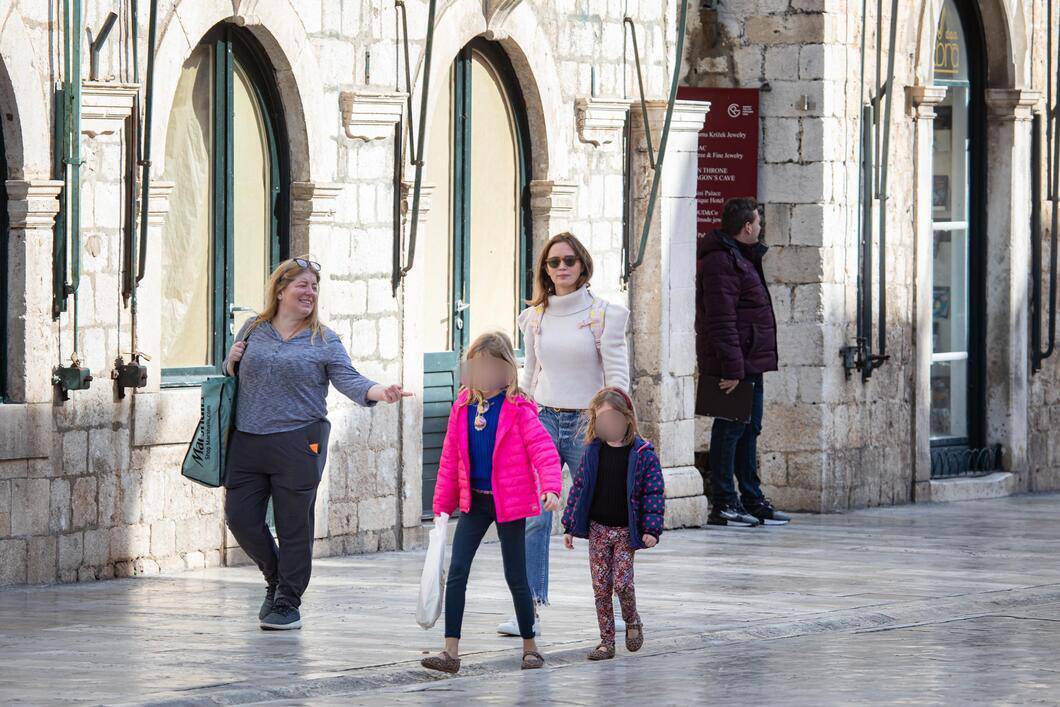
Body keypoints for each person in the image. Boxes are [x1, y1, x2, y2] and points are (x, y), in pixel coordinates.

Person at [223, 256, 410, 631]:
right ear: (280, 290)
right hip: (247, 440)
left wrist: (380, 391)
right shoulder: (252, 328)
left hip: (299, 441)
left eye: (314, 287)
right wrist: (229, 361)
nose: (310, 293)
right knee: (240, 519)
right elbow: (230, 377)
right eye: (302, 285)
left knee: (295, 525)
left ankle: (288, 601)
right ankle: (274, 576)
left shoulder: (324, 340)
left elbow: (350, 380)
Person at [497, 232, 631, 637]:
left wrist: (619, 426)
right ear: (544, 269)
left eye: (569, 260)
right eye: (553, 262)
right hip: (542, 421)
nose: (561, 268)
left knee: (606, 518)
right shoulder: (535, 316)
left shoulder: (604, 315)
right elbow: (530, 373)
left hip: (588, 424)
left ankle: (618, 604)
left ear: (582, 264)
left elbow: (617, 374)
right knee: (536, 517)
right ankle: (529, 608)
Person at [421, 331, 563, 674]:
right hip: (475, 503)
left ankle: (530, 646)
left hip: (508, 503)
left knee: (515, 574)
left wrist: (552, 488)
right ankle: (449, 651)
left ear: (505, 371)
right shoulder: (462, 408)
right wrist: (441, 507)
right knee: (456, 571)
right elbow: (449, 460)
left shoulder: (519, 409)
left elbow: (544, 451)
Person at [696, 198, 790, 527]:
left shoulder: (741, 257)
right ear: (747, 226)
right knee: (730, 428)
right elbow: (721, 320)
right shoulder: (721, 262)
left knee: (750, 429)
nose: (760, 229)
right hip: (733, 365)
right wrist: (732, 369)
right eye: (758, 224)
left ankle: (751, 498)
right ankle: (724, 501)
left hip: (750, 361)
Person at [561, 387, 665, 661]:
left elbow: (653, 493)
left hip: (623, 532)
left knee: (622, 582)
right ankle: (606, 641)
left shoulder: (643, 454)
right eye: (602, 421)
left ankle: (632, 619)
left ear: (627, 418)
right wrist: (570, 525)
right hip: (598, 529)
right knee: (601, 587)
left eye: (613, 420)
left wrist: (651, 530)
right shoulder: (593, 452)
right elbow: (579, 487)